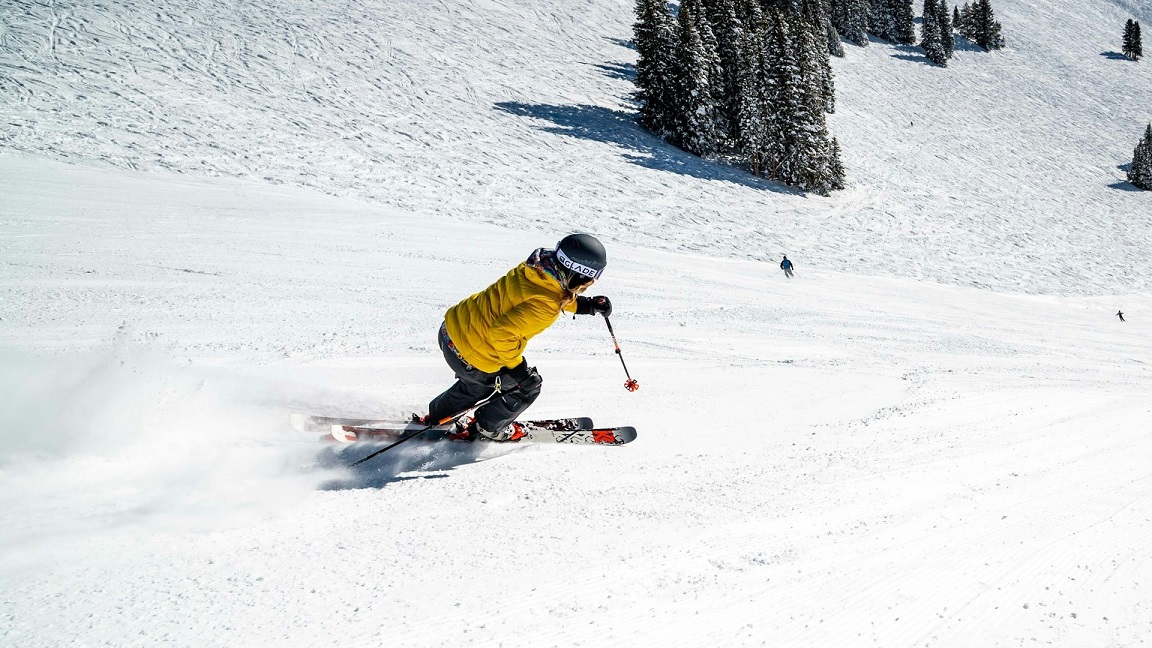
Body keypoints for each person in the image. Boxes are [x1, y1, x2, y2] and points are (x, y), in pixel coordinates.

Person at [423, 234, 612, 442]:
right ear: (577, 274)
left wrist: (586, 306)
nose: (589, 284)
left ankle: (438, 416)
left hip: (451, 333)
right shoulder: (547, 305)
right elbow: (502, 334)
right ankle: (488, 429)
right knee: (526, 388)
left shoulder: (536, 267)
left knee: (476, 385)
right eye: (590, 278)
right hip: (472, 355)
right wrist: (520, 371)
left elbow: (541, 294)